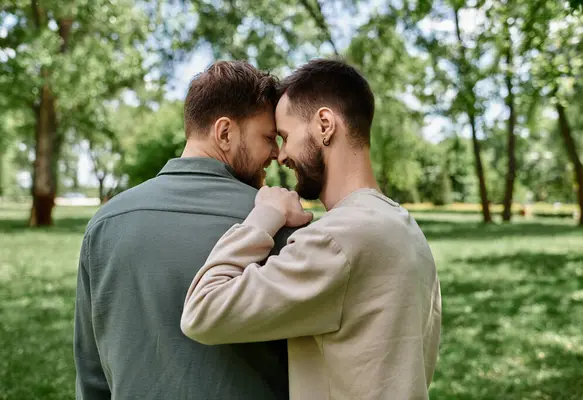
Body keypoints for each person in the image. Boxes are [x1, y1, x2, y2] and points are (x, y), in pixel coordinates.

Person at [181, 59, 442, 399]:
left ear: (324, 125)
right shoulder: (404, 227)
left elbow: (203, 311)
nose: (281, 155)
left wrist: (263, 217)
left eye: (286, 137)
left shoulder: (338, 239)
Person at [74, 61, 294, 399]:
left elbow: (92, 376)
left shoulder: (105, 224)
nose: (277, 154)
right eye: (268, 138)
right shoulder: (281, 226)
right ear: (224, 132)